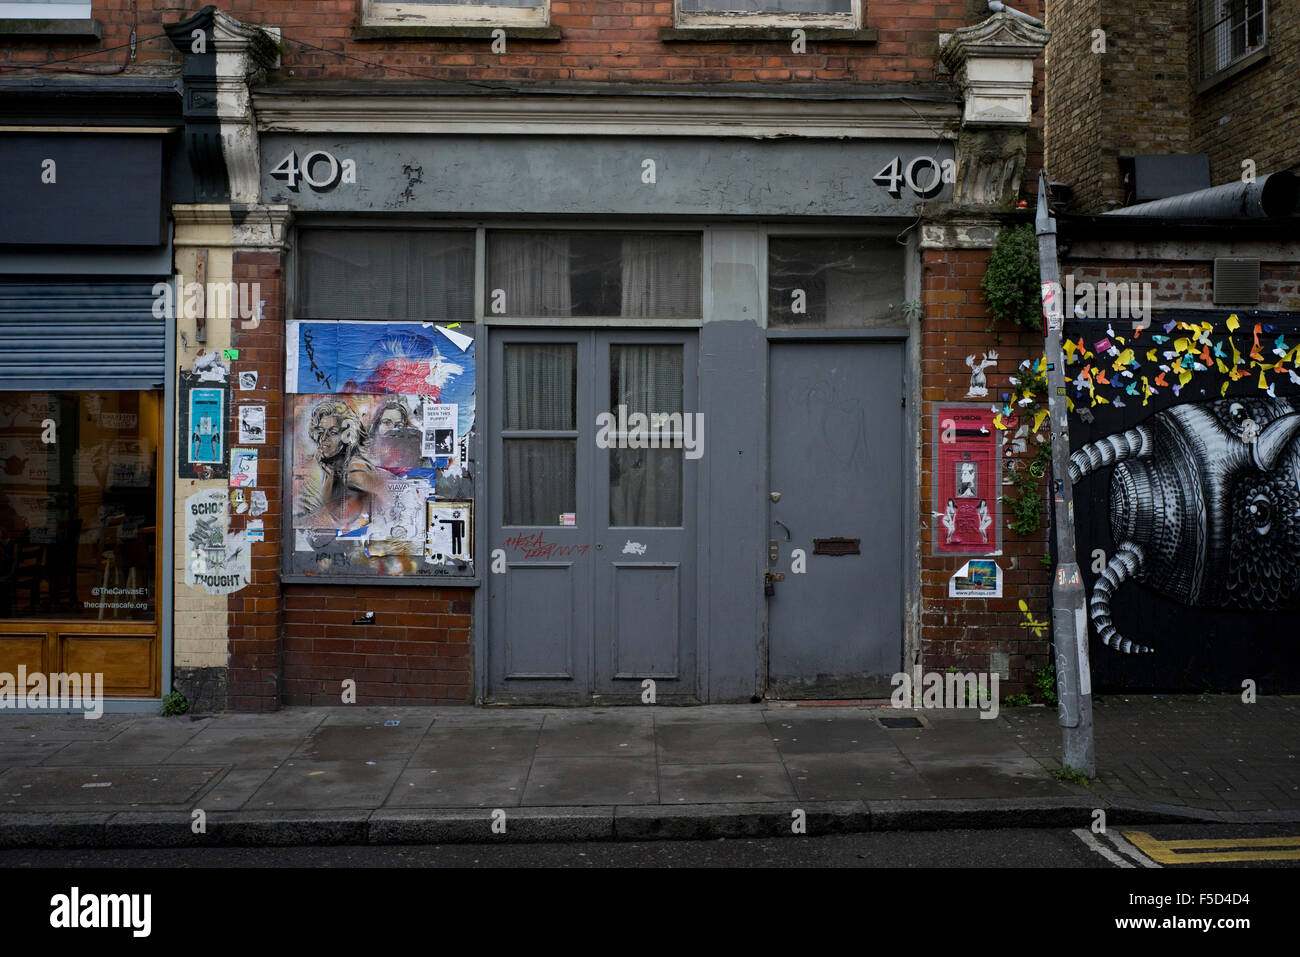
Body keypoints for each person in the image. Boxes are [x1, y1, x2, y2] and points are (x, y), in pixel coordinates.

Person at [296, 398, 389, 531]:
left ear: (348, 436)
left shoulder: (355, 471)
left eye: (333, 432)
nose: (324, 439)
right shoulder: (336, 469)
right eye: (321, 432)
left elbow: (382, 504)